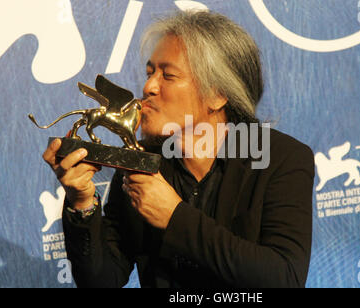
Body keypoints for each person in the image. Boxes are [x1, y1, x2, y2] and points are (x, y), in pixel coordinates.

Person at [42, 10, 315, 288]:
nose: (148, 87)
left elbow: (285, 277)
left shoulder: (280, 159)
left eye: (168, 76)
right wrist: (82, 204)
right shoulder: (143, 161)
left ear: (217, 95)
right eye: (150, 73)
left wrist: (174, 217)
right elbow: (101, 280)